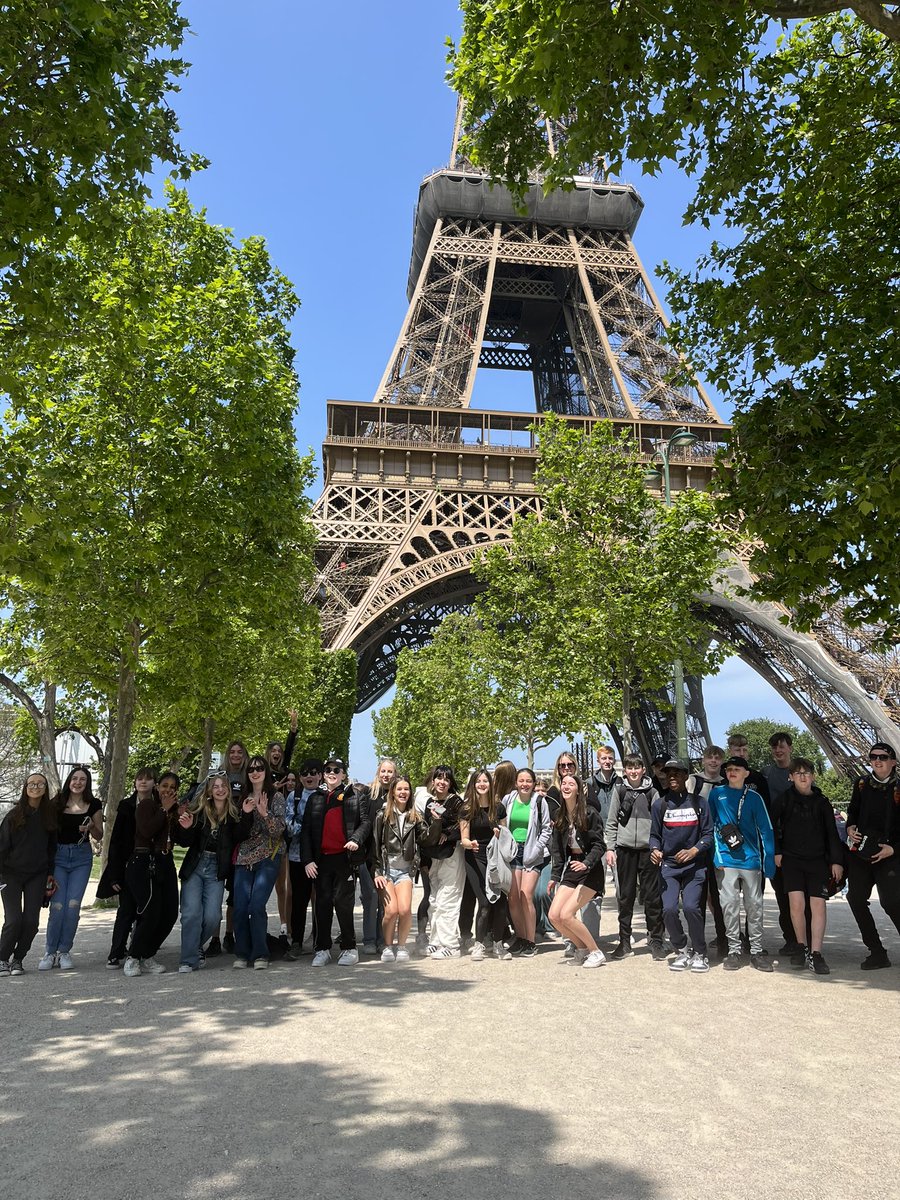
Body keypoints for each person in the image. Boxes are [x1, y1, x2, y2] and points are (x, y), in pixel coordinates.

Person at [773, 757, 845, 975]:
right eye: (798, 773)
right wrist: (776, 851)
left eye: (806, 773)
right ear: (791, 777)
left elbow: (832, 833)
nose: (803, 777)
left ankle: (816, 952)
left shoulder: (822, 802)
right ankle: (801, 946)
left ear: (813, 776)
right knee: (796, 905)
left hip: (817, 861)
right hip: (792, 859)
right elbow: (772, 827)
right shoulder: (784, 800)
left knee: (818, 906)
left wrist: (836, 861)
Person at [176, 772, 251, 972]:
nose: (219, 789)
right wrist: (186, 828)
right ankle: (188, 959)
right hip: (196, 866)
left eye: (223, 786)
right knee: (191, 913)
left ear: (228, 790)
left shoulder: (233, 814)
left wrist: (247, 814)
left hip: (216, 870)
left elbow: (241, 837)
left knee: (212, 917)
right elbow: (185, 842)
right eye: (215, 786)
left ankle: (193, 945)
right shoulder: (200, 811)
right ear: (209, 791)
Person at [708, 757, 776, 972]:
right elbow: (709, 825)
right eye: (728, 769)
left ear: (747, 773)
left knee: (754, 905)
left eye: (737, 769)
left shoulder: (755, 797)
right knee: (729, 905)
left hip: (750, 859)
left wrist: (769, 858)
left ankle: (756, 950)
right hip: (726, 858)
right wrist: (715, 855)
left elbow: (766, 829)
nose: (732, 772)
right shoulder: (716, 794)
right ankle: (734, 950)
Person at [302, 757, 371, 967]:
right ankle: (322, 949)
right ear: (323, 774)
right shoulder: (315, 799)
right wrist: (307, 860)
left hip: (344, 859)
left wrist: (355, 840)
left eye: (337, 770)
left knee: (343, 904)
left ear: (343, 774)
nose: (332, 772)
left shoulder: (354, 795)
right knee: (322, 905)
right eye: (328, 770)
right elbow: (305, 831)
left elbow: (366, 822)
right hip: (321, 861)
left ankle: (350, 948)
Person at [650, 760, 713, 973]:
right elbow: (654, 835)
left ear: (686, 776)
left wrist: (694, 850)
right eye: (668, 774)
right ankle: (682, 948)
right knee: (668, 909)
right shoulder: (660, 805)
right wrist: (655, 849)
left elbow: (708, 834)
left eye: (677, 773)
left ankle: (700, 951)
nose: (672, 777)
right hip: (669, 865)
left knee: (691, 907)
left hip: (695, 866)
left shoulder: (700, 803)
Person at [39, 765, 103, 969]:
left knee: (73, 906)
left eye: (82, 779)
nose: (78, 782)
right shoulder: (56, 802)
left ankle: (64, 951)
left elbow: (100, 835)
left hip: (81, 858)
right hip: (58, 856)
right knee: (57, 907)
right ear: (69, 781)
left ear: (87, 783)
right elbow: (45, 830)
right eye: (74, 778)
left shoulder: (94, 804)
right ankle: (49, 952)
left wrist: (92, 827)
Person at [604, 754, 665, 960]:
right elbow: (611, 821)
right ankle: (624, 941)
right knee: (625, 897)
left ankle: (656, 940)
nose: (633, 771)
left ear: (643, 770)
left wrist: (657, 847)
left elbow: (659, 825)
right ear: (625, 771)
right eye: (630, 768)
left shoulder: (653, 793)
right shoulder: (619, 791)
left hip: (648, 850)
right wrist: (610, 848)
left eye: (637, 768)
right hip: (625, 849)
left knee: (652, 897)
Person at [846, 741, 900, 970]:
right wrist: (850, 827)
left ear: (893, 762)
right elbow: (853, 813)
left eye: (883, 757)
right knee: (855, 898)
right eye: (873, 757)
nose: (877, 760)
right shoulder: (861, 784)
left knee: (892, 902)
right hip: (863, 853)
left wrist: (894, 849)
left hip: (890, 852)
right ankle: (876, 951)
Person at [123, 769, 181, 978]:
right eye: (164, 786)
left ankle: (148, 954)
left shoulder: (174, 809)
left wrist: (183, 820)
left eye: (172, 788)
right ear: (157, 787)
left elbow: (181, 838)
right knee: (150, 911)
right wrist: (164, 810)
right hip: (143, 861)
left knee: (170, 913)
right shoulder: (147, 804)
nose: (168, 790)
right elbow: (147, 831)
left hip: (165, 861)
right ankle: (133, 957)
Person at [547, 771, 606, 968]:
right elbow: (557, 850)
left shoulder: (590, 813)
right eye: (564, 783)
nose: (566, 786)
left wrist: (586, 863)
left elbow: (599, 845)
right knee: (554, 915)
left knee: (567, 915)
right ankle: (581, 949)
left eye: (571, 784)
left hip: (590, 869)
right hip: (572, 866)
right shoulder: (559, 816)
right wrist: (554, 876)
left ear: (579, 790)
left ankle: (595, 952)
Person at [97, 767, 155, 968]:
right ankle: (115, 952)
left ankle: (137, 949)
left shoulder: (158, 806)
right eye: (140, 779)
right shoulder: (126, 806)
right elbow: (116, 842)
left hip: (149, 865)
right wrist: (114, 875)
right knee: (126, 910)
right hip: (127, 865)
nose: (143, 782)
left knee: (144, 911)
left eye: (148, 779)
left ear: (154, 783)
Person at [0, 773, 57, 976]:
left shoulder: (49, 817)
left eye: (40, 784)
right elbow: (2, 848)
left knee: (31, 921)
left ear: (45, 788)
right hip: (10, 875)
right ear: (25, 787)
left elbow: (52, 849)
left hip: (37, 875)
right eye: (31, 783)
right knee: (14, 920)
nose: (35, 787)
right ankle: (2, 959)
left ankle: (18, 959)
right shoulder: (13, 815)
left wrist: (50, 874)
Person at [232, 755, 286, 969]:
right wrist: (245, 814)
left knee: (256, 905)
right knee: (240, 907)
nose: (255, 772)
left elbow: (279, 831)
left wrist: (264, 814)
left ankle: (261, 954)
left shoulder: (276, 798)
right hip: (244, 856)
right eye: (251, 769)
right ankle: (242, 953)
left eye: (259, 768)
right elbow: (237, 833)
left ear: (265, 771)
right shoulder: (241, 798)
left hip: (268, 855)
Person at [459, 768, 512, 961]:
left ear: (491, 784)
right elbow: (463, 839)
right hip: (475, 858)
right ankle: (479, 944)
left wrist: (500, 832)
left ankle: (498, 944)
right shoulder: (467, 809)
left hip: (496, 859)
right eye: (478, 781)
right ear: (473, 785)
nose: (482, 784)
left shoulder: (498, 808)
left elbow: (507, 835)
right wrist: (469, 843)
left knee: (499, 902)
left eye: (485, 781)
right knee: (484, 902)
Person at [418, 765, 465, 959]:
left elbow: (463, 825)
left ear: (451, 782)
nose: (442, 782)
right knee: (434, 899)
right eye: (438, 778)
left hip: (452, 855)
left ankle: (451, 944)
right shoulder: (429, 802)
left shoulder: (456, 802)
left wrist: (447, 833)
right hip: (434, 856)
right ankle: (436, 941)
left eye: (446, 779)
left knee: (449, 899)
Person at [505, 768, 552, 957]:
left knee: (526, 895)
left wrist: (536, 849)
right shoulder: (508, 800)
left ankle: (531, 941)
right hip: (513, 851)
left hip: (532, 851)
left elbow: (546, 829)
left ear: (533, 783)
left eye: (528, 781)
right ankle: (521, 937)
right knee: (513, 898)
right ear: (516, 782)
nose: (524, 784)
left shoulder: (540, 802)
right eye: (521, 780)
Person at [686, 745, 728, 957]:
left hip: (720, 845)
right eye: (709, 757)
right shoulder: (693, 781)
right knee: (699, 896)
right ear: (703, 760)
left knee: (720, 896)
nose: (713, 761)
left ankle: (723, 939)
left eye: (717, 757)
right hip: (698, 844)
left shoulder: (726, 782)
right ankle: (699, 942)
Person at [373, 774, 419, 961]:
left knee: (405, 910)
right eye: (399, 789)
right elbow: (375, 845)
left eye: (406, 789)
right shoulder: (382, 816)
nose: (403, 792)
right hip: (386, 870)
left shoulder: (415, 817)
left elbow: (426, 839)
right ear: (392, 792)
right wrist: (377, 871)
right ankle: (387, 946)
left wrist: (438, 822)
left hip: (405, 870)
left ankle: (402, 947)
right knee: (391, 911)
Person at [283, 758, 323, 959]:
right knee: (299, 899)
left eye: (313, 772)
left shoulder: (326, 796)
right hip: (298, 856)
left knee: (322, 899)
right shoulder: (293, 796)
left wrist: (305, 827)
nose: (309, 776)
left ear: (320, 776)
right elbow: (288, 825)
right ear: (300, 777)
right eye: (305, 773)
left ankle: (319, 939)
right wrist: (309, 828)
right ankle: (296, 941)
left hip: (321, 856)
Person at [358, 758, 396, 954]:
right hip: (366, 854)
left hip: (387, 855)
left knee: (385, 900)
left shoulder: (397, 794)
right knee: (370, 897)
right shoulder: (367, 793)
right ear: (378, 772)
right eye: (383, 771)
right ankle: (369, 939)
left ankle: (383, 939)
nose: (386, 775)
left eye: (390, 771)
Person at [266, 710, 298, 941]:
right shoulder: (260, 773)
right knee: (274, 882)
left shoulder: (285, 771)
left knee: (286, 883)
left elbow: (290, 747)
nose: (277, 754)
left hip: (284, 831)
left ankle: (286, 924)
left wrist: (293, 728)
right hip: (265, 830)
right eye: (273, 751)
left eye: (279, 752)